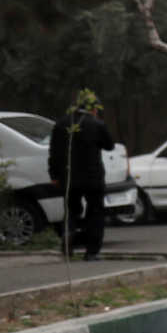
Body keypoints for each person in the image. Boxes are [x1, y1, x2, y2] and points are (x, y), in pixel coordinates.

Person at [46, 90, 116, 261]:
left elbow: (53, 152)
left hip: (68, 177)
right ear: (94, 109)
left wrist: (54, 174)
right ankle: (92, 252)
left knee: (71, 211)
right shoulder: (96, 124)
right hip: (93, 178)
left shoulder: (61, 124)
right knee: (95, 213)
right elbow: (110, 145)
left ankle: (68, 240)